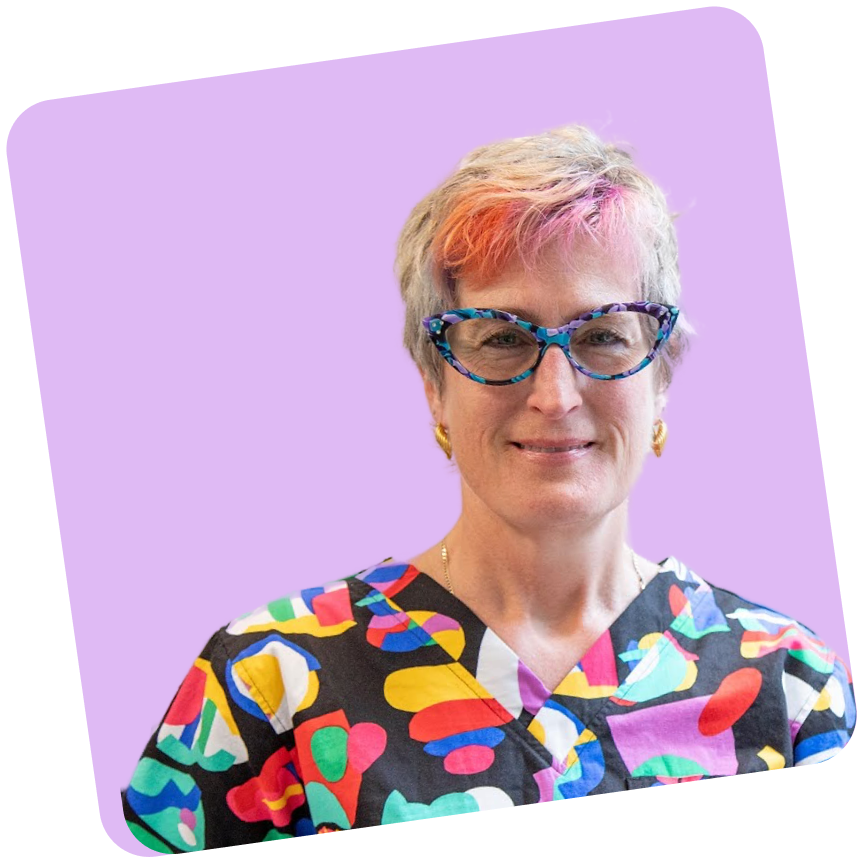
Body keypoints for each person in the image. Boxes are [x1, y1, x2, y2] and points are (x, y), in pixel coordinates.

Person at [122, 125, 854, 851]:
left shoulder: (788, 682)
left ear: (661, 379)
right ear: (433, 385)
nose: (556, 395)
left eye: (603, 334)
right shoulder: (268, 678)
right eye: (502, 338)